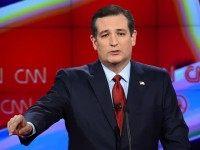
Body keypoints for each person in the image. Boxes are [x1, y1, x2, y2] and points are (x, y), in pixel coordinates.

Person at [7, 4, 190, 150]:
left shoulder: (158, 80)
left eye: (120, 33)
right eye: (105, 35)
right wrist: (29, 125)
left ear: (133, 37)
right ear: (94, 42)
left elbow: (176, 138)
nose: (113, 42)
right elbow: (44, 110)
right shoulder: (72, 80)